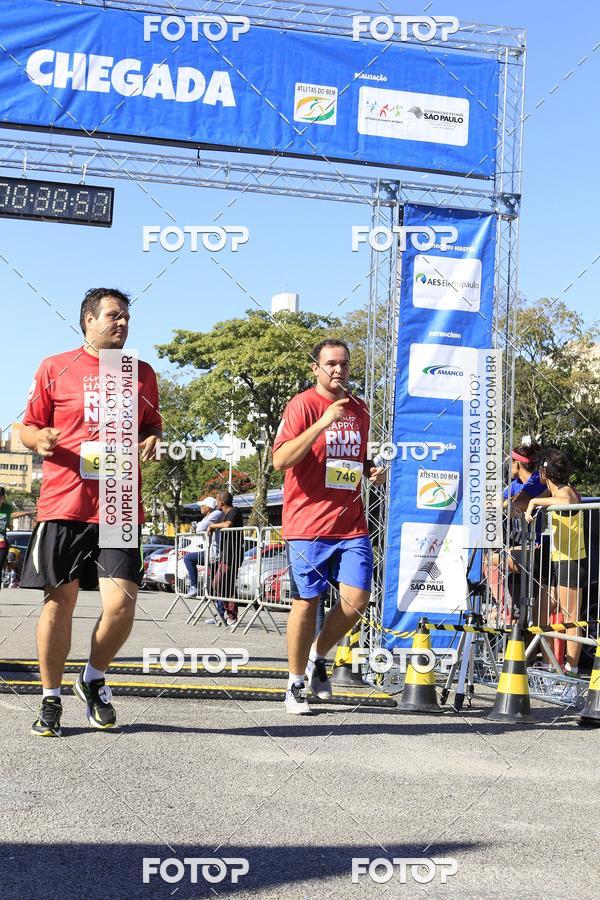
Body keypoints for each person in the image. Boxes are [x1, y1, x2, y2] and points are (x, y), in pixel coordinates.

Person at [19, 288, 162, 737]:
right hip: (65, 503)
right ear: (88, 320)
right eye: (113, 316)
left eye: (126, 317)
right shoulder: (54, 366)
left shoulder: (141, 373)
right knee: (59, 604)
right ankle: (49, 697)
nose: (121, 323)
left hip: (119, 504)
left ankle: (93, 678)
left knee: (122, 605)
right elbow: (25, 426)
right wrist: (36, 440)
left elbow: (152, 425)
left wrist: (153, 439)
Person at [272, 338, 385, 714]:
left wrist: (372, 471)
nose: (338, 370)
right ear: (316, 369)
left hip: (351, 523)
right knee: (307, 603)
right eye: (331, 364)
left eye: (345, 364)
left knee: (357, 600)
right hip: (308, 524)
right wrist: (322, 422)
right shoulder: (302, 404)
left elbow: (359, 457)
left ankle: (320, 656)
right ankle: (294, 683)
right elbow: (281, 460)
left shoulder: (360, 409)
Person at [524, 447, 587, 676]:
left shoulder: (566, 491)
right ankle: (551, 664)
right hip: (555, 560)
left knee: (571, 618)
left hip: (571, 560)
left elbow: (566, 502)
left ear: (543, 472)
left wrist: (534, 503)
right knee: (541, 613)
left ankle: (572, 670)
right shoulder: (553, 493)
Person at [207, 490, 244, 625]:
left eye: (217, 500)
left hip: (232, 555)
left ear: (221, 502)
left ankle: (231, 615)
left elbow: (228, 525)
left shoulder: (235, 511)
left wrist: (212, 526)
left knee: (220, 583)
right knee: (224, 585)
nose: (216, 502)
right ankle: (227, 614)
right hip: (226, 555)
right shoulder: (224, 514)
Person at [184, 496, 224, 597]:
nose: (201, 507)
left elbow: (200, 527)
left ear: (209, 507)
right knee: (216, 584)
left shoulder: (216, 513)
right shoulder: (208, 516)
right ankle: (221, 610)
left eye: (203, 505)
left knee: (188, 558)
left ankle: (194, 587)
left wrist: (197, 527)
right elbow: (196, 528)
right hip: (211, 551)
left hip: (214, 552)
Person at [0, 487, 14, 590]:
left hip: (1, 542)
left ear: (3, 498)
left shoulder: (8, 508)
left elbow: (8, 523)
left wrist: (10, 526)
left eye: (0, 497)